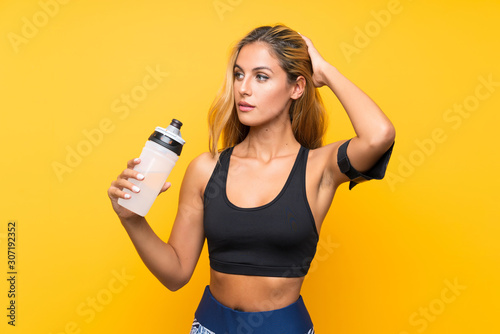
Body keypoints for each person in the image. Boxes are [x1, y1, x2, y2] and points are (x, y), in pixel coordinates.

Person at [108, 24, 395, 334]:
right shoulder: (206, 169)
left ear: (296, 88)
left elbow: (379, 135)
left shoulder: (319, 168)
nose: (243, 88)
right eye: (238, 74)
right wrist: (132, 220)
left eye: (261, 76)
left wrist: (324, 72)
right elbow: (175, 273)